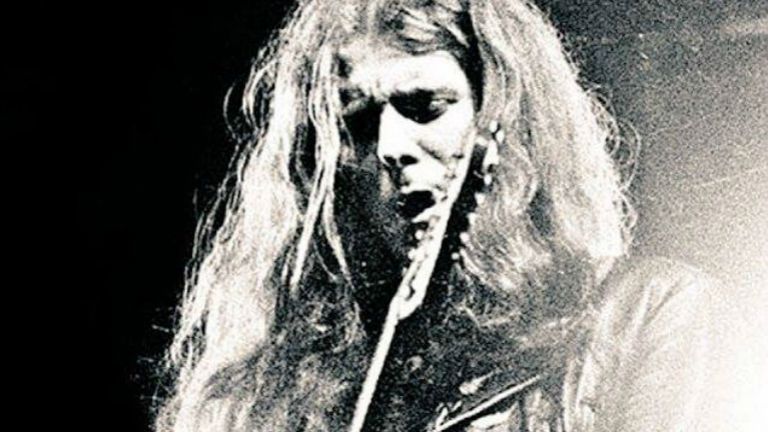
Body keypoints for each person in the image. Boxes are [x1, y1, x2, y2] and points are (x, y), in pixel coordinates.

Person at [155, 0, 718, 431]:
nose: (390, 148)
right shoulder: (286, 376)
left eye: (425, 107)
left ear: (505, 120)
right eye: (355, 125)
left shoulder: (645, 314)